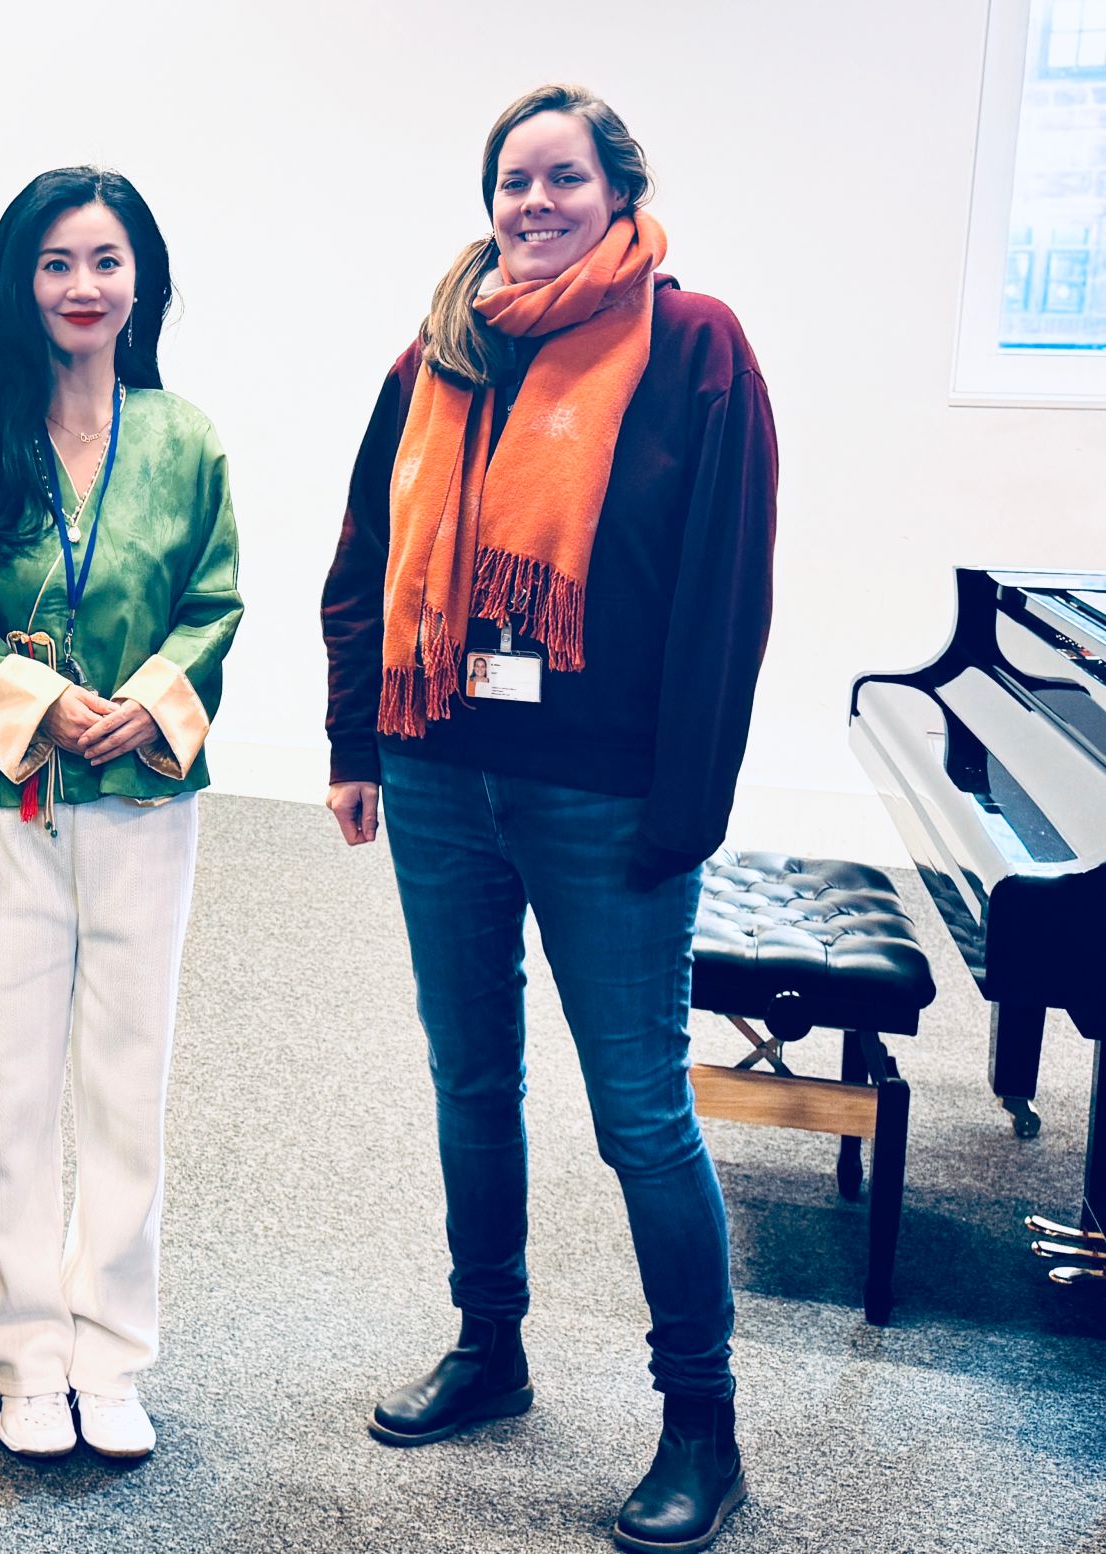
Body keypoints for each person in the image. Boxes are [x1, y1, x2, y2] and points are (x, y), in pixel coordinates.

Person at [320, 85, 777, 1553]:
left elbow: (724, 589)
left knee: (641, 1112)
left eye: (564, 178)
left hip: (607, 795)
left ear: (618, 190)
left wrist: (688, 803)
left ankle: (701, 1425)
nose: (535, 203)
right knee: (471, 1077)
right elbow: (365, 554)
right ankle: (490, 1344)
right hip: (440, 771)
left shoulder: (693, 348)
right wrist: (357, 740)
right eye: (514, 180)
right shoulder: (438, 353)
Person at [0, 167, 242, 1463]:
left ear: (140, 281)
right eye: (57, 262)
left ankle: (110, 1348)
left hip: (145, 794)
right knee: (13, 1077)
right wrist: (39, 703)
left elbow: (215, 602)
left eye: (106, 261)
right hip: (16, 797)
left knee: (125, 1075)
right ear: (21, 282)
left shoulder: (185, 440)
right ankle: (22, 1350)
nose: (83, 285)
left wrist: (146, 703)